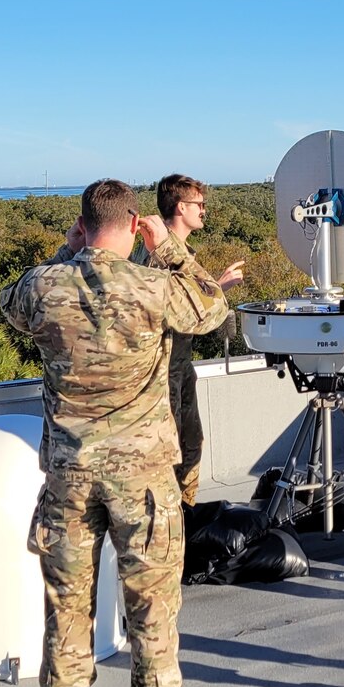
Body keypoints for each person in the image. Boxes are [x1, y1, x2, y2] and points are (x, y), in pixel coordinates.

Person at [0, 178, 230, 687]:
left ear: (83, 224)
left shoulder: (47, 286)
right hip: (145, 480)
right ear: (134, 223)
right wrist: (170, 248)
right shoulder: (155, 287)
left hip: (69, 478)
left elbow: (10, 304)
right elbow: (212, 308)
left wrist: (65, 251)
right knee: (152, 608)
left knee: (67, 609)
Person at [140, 174, 245, 507]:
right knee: (171, 458)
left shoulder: (176, 250)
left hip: (179, 368)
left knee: (190, 448)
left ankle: (187, 523)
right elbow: (166, 309)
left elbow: (181, 303)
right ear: (181, 207)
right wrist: (215, 291)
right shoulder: (160, 254)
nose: (204, 211)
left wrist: (215, 287)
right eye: (199, 205)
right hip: (162, 371)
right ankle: (175, 530)